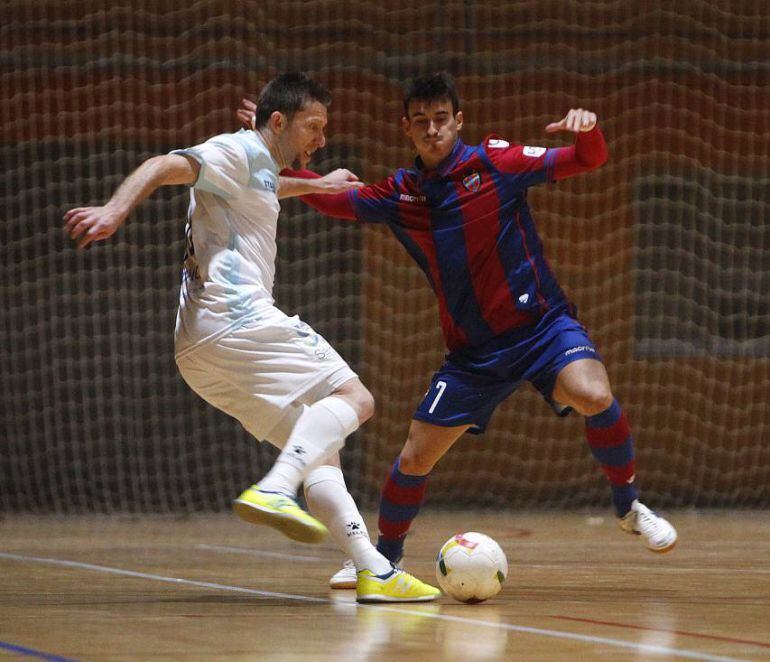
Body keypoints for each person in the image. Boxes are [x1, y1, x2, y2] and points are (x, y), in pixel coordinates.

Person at [239, 71, 677, 589]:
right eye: (421, 122)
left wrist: (587, 131)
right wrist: (278, 156)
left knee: (593, 393)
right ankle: (384, 560)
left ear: (459, 121)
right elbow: (335, 200)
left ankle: (629, 508)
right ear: (406, 128)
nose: (432, 130)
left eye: (441, 119)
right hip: (474, 355)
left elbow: (589, 159)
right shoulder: (404, 194)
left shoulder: (496, 162)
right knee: (415, 455)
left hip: (542, 328)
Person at [64, 72, 440, 603]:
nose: (322, 139)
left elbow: (264, 183)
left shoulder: (256, 164)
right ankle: (276, 488)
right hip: (238, 320)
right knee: (355, 399)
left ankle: (373, 569)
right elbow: (166, 164)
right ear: (279, 121)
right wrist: (115, 210)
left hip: (197, 351)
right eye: (314, 126)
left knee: (318, 449)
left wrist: (316, 182)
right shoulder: (235, 151)